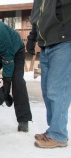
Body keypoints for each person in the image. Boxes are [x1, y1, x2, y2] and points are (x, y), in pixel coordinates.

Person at [26, 0, 71, 148]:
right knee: (47, 90)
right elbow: (37, 17)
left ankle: (59, 135)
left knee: (57, 89)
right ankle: (54, 130)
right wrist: (32, 37)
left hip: (64, 42)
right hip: (45, 45)